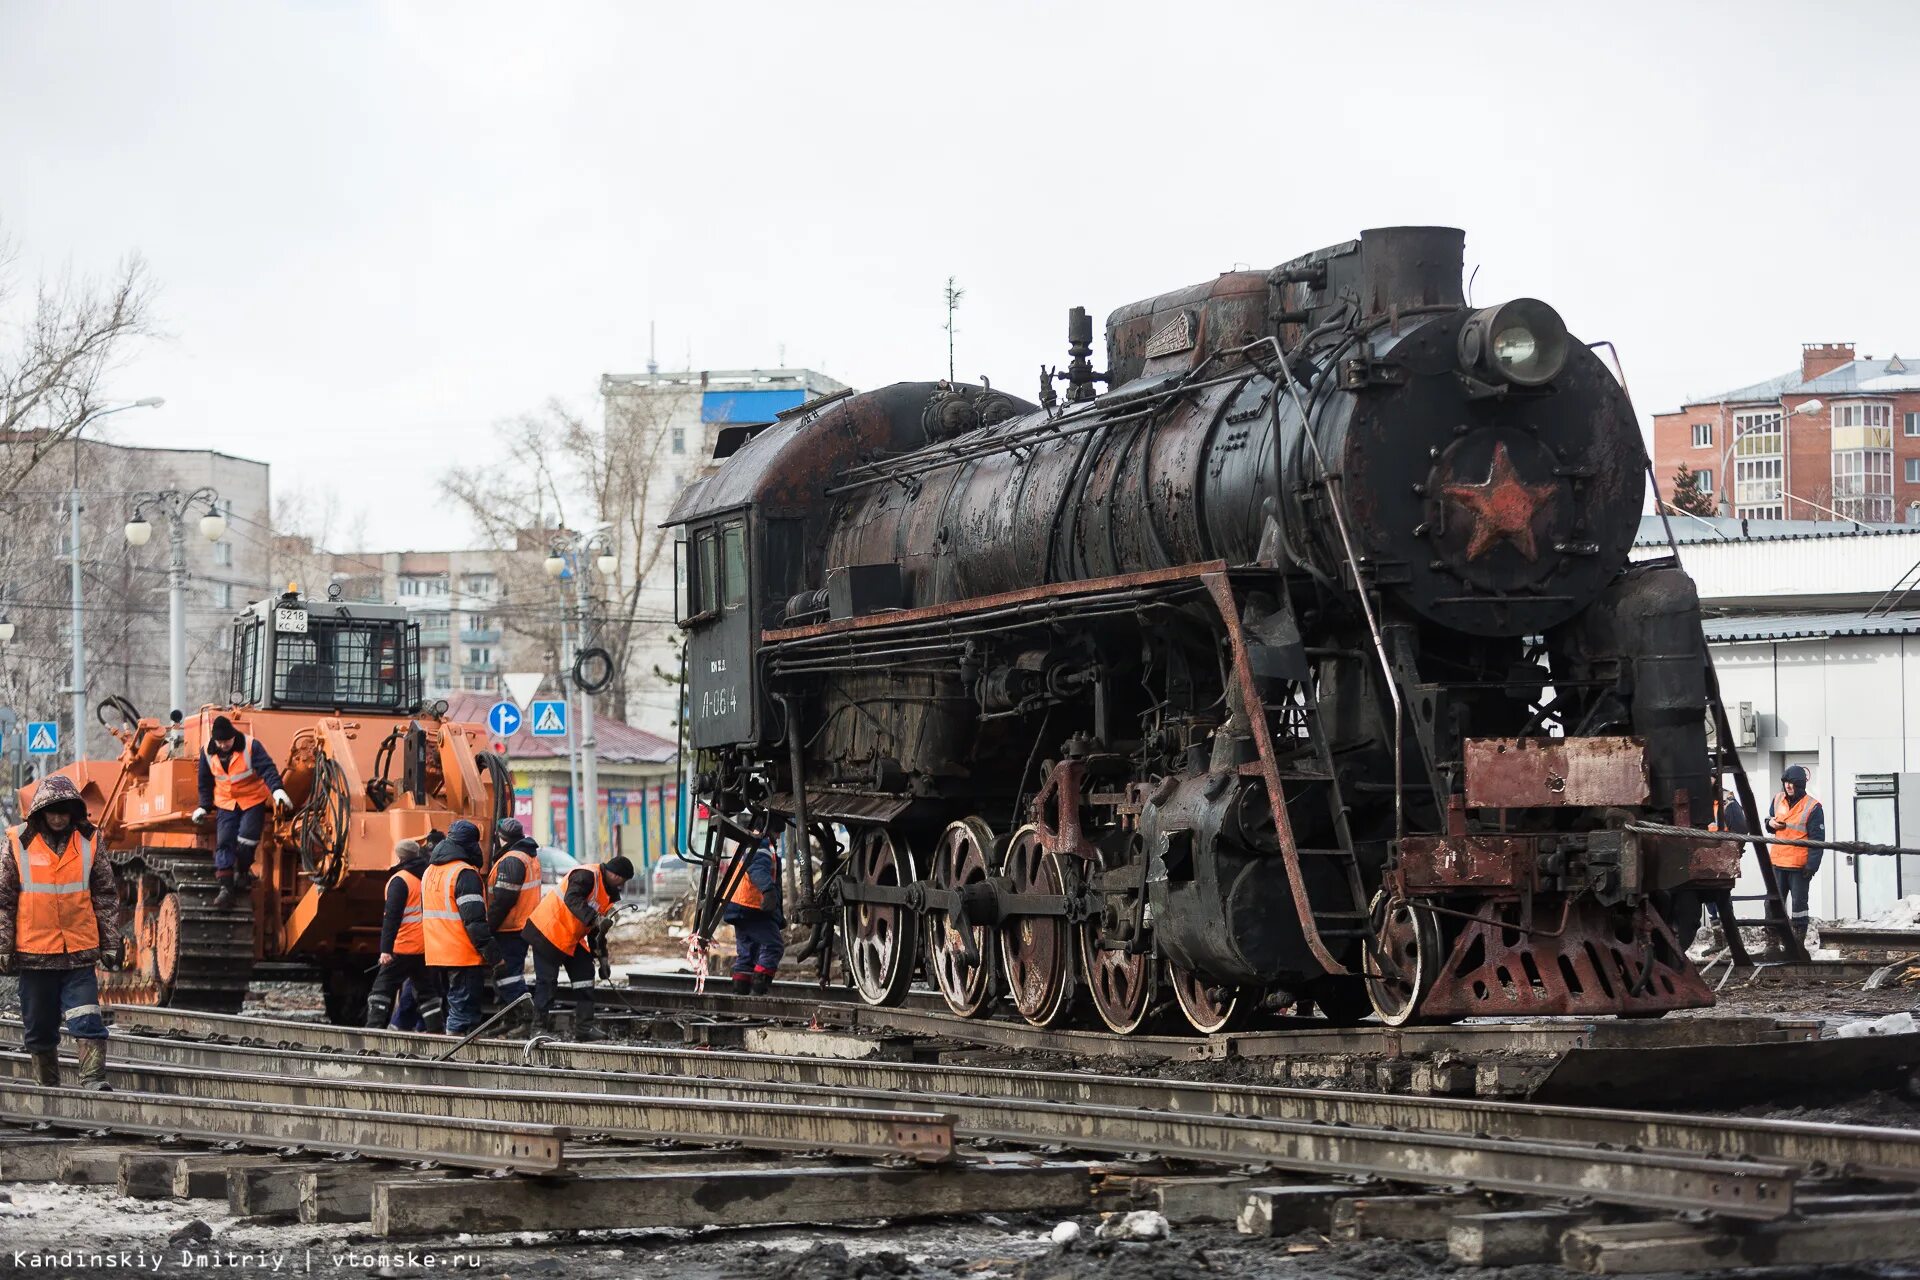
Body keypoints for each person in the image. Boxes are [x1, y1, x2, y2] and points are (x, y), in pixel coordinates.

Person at [0, 776, 121, 1089]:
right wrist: (3, 947)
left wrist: (110, 942)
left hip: (78, 953)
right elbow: (4, 899)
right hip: (34, 954)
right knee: (39, 1030)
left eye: (64, 811)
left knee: (88, 1020)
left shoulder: (90, 840)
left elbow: (105, 894)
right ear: (40, 811)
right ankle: (49, 1089)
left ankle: (93, 1081)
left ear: (73, 812)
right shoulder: (18, 841)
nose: (57, 817)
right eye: (52, 811)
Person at [524, 855, 633, 1041]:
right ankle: (539, 1028)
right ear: (615, 875)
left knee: (584, 976)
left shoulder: (608, 895)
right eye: (622, 880)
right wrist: (595, 918)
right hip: (547, 932)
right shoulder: (586, 875)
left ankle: (584, 1028)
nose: (622, 885)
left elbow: (595, 931)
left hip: (571, 937)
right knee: (547, 983)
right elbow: (572, 898)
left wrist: (602, 958)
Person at [192, 715, 291, 909]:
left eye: (226, 742)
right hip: (226, 802)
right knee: (225, 841)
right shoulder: (207, 751)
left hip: (252, 799)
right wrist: (204, 805)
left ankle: (242, 870)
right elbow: (204, 782)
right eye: (219, 742)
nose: (223, 746)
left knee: (248, 839)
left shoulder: (251, 745)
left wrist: (277, 789)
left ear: (233, 737)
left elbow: (267, 769)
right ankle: (226, 888)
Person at [421, 820, 496, 1035]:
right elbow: (474, 921)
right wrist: (491, 952)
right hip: (461, 952)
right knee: (463, 1013)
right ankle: (455, 1057)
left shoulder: (430, 872)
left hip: (437, 951)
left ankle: (454, 1052)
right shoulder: (464, 873)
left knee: (453, 1005)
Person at [364, 839, 445, 1032]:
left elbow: (391, 917)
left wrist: (385, 949)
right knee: (426, 992)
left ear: (399, 856)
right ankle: (436, 1030)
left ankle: (373, 1028)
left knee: (382, 988)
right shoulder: (427, 876)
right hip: (424, 946)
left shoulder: (400, 880)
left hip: (403, 945)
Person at [485, 819, 542, 1019]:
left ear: (501, 838)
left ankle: (527, 1019)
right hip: (520, 924)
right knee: (508, 975)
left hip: (510, 927)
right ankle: (510, 1019)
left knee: (508, 976)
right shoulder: (527, 855)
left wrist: (487, 927)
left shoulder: (512, 860)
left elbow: (504, 900)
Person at [1764, 764, 1825, 943]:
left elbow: (1818, 840)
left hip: (1798, 866)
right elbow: (1769, 820)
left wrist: (1811, 866)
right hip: (1777, 863)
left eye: (1792, 783)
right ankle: (1772, 940)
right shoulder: (1777, 799)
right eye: (1786, 782)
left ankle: (1798, 940)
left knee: (1799, 905)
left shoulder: (1813, 807)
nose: (1788, 786)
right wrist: (1770, 824)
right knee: (1772, 903)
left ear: (1800, 785)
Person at [724, 836, 785, 996]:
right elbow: (756, 868)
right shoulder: (760, 841)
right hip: (751, 905)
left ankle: (740, 993)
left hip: (737, 905)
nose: (779, 835)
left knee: (747, 953)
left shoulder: (749, 839)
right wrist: (768, 891)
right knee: (773, 946)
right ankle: (758, 991)